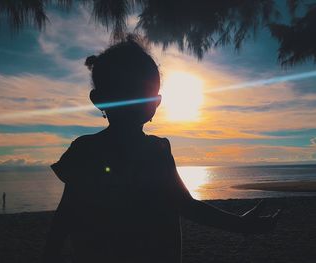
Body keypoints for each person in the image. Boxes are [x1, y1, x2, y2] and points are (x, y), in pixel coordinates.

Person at [43, 35, 280, 263]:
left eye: (150, 97)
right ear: (100, 99)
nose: (145, 103)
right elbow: (67, 213)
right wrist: (51, 253)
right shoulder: (87, 151)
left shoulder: (156, 149)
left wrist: (239, 224)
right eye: (131, 94)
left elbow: (185, 204)